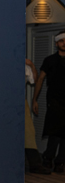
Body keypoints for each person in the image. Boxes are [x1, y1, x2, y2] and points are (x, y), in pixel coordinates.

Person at [33, 31, 65, 173]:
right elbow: (40, 79)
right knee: (54, 130)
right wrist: (34, 99)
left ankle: (60, 162)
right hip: (54, 100)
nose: (64, 43)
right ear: (57, 43)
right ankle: (48, 158)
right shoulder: (49, 60)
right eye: (61, 41)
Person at [25, 59, 50, 174]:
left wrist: (31, 65)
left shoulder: (23, 65)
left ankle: (35, 164)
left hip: (20, 102)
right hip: (1, 102)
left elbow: (34, 80)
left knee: (29, 132)